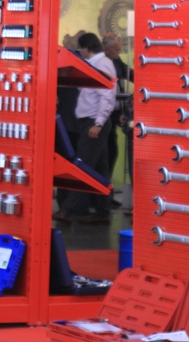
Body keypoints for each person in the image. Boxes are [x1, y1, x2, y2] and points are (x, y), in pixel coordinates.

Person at [53, 33, 117, 224]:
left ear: (87, 48)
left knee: (82, 168)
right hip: (90, 122)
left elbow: (107, 95)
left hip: (93, 123)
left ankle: (68, 210)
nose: (80, 52)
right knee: (99, 168)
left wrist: (98, 123)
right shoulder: (94, 65)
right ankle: (103, 211)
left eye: (81, 49)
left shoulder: (102, 64)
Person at [102, 33, 134, 208]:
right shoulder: (101, 63)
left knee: (112, 151)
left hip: (114, 113)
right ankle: (103, 196)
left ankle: (107, 194)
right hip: (103, 114)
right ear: (106, 49)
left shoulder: (116, 61)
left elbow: (129, 74)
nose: (118, 53)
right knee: (106, 153)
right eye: (115, 50)